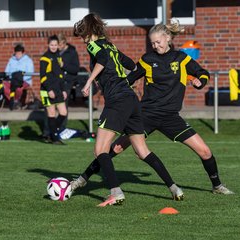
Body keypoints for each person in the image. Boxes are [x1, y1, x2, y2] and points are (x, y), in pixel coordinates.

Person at [71, 20, 234, 196]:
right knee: (115, 148)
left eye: (158, 42)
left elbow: (203, 73)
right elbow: (130, 77)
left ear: (168, 38)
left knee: (204, 151)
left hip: (171, 117)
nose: (156, 46)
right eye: (153, 43)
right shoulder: (148, 60)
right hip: (146, 115)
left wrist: (199, 81)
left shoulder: (182, 59)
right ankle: (82, 179)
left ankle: (217, 186)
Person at [73, 13, 184, 207]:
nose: (83, 40)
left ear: (88, 32)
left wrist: (90, 81)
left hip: (117, 100)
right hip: (131, 99)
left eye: (82, 35)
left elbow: (102, 58)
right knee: (142, 151)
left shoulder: (94, 45)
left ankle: (115, 192)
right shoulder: (111, 45)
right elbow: (131, 65)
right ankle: (174, 187)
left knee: (100, 150)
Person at [40, 35, 68, 145]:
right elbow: (43, 76)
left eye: (55, 45)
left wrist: (64, 90)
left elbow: (60, 76)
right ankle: (55, 138)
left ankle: (51, 133)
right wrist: (49, 90)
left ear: (58, 45)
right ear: (48, 45)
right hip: (47, 90)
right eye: (51, 44)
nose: (53, 46)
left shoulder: (58, 57)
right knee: (51, 113)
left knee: (63, 113)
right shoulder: (44, 58)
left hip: (58, 90)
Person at [4, 44, 34, 110]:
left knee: (18, 88)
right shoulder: (11, 60)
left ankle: (16, 101)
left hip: (24, 80)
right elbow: (6, 71)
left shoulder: (28, 61)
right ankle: (14, 101)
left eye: (19, 53)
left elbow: (30, 73)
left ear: (23, 53)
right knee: (4, 86)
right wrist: (8, 78)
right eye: (16, 53)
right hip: (12, 80)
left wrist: (20, 79)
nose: (17, 55)